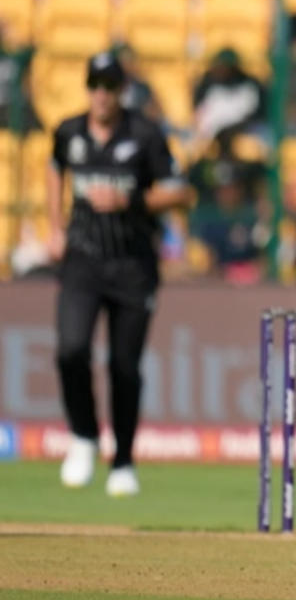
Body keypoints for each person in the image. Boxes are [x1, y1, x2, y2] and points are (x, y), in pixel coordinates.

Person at [47, 51, 191, 496]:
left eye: (109, 87)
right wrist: (55, 226)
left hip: (132, 264)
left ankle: (123, 460)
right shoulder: (69, 132)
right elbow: (55, 170)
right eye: (95, 85)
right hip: (83, 261)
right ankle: (84, 437)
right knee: (71, 350)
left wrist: (130, 202)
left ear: (121, 91)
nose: (101, 95)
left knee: (123, 366)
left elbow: (180, 192)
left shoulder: (144, 135)